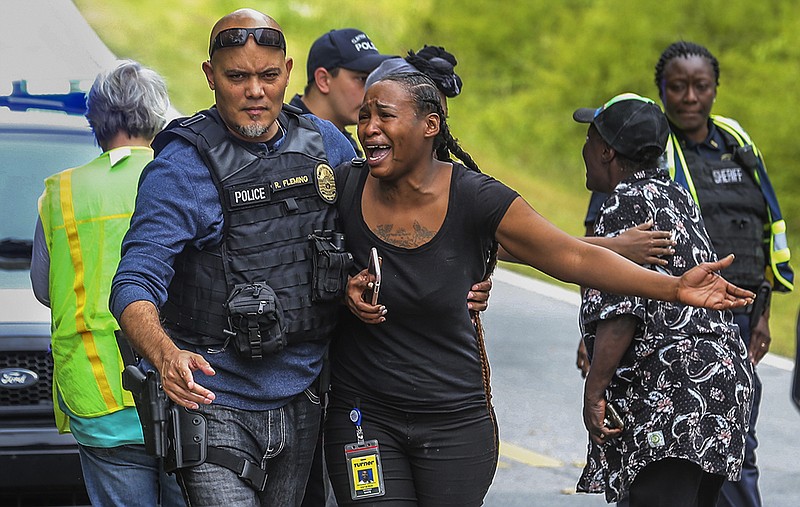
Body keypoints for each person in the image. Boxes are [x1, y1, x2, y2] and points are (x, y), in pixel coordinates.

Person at [323, 71, 754, 506]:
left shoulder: (477, 198)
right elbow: (291, 259)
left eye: (385, 116)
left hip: (453, 423)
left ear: (430, 126)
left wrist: (674, 287)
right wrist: (342, 287)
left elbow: (570, 256)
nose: (369, 128)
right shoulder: (344, 187)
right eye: (364, 116)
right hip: (364, 417)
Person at [579, 41, 793, 507]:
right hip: (722, 391)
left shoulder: (625, 204)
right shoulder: (674, 194)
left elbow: (623, 308)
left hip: (676, 399)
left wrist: (594, 391)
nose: (585, 148)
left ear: (609, 153)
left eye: (591, 139)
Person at [30, 60, 183, 506]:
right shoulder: (182, 180)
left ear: (94, 120)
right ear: (159, 115)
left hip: (98, 396)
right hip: (183, 389)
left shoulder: (60, 194)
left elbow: (45, 289)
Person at [289, 28, 393, 155]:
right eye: (362, 79)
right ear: (323, 80)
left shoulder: (340, 140)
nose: (371, 89)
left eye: (375, 79)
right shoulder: (287, 141)